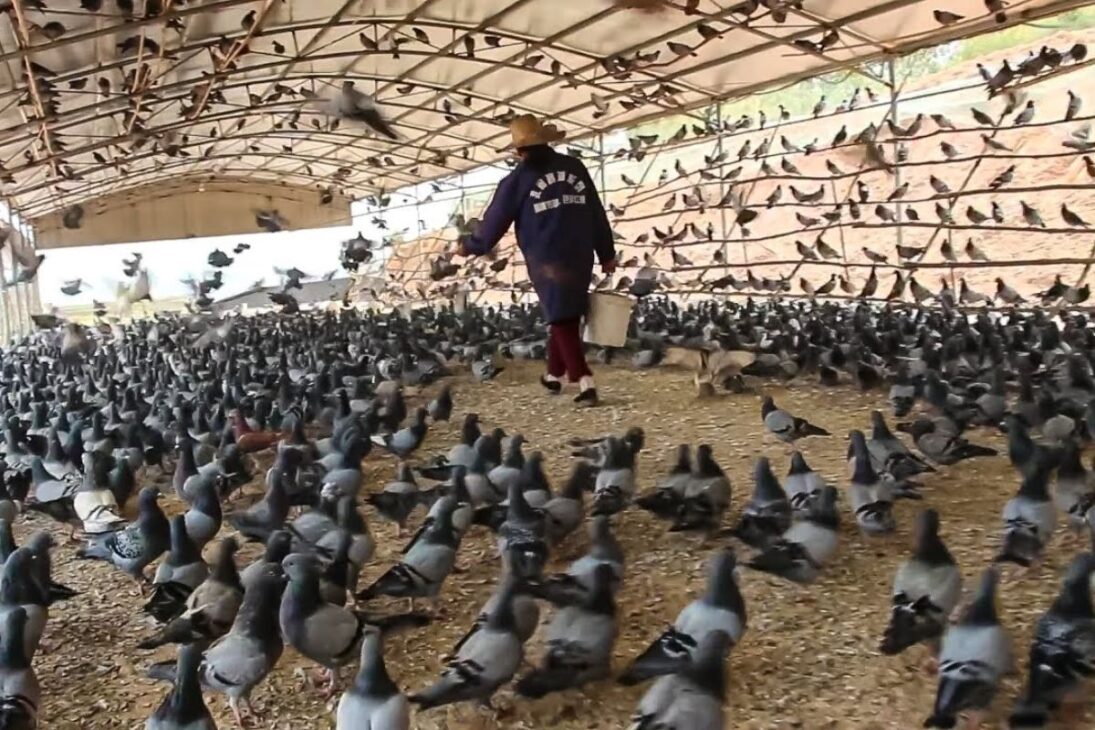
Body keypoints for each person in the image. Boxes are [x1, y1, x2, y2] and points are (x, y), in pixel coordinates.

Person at [458, 114, 617, 406]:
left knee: (561, 316)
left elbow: (494, 224)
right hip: (580, 253)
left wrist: (470, 246)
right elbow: (596, 211)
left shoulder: (516, 181)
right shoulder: (575, 167)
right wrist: (606, 252)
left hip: (546, 258)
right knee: (566, 313)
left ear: (519, 150)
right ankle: (554, 375)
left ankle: (585, 382)